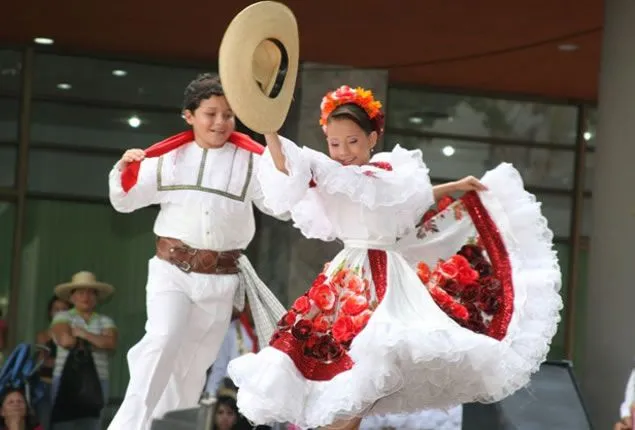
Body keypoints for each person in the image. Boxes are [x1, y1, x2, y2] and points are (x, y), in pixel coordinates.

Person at [227, 85, 562, 429]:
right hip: (349, 279)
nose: (343, 151)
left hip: (390, 279)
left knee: (365, 378)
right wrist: (269, 130)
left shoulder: (389, 173)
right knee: (343, 379)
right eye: (335, 143)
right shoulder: (325, 170)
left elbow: (407, 201)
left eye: (353, 141)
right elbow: (286, 164)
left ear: (373, 138)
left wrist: (453, 186)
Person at [107, 73, 286, 430]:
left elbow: (281, 207)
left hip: (220, 281)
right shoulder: (166, 158)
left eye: (229, 114)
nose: (220, 122)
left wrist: (281, 161)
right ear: (189, 115)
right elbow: (125, 200)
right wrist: (125, 167)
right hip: (171, 271)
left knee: (190, 369)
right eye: (211, 113)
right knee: (161, 341)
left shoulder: (252, 161)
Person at [50, 271, 117, 430]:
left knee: (93, 424)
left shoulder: (105, 320)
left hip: (98, 380)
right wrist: (97, 340)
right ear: (72, 297)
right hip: (65, 379)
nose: (86, 297)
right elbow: (65, 340)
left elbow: (111, 343)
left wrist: (81, 334)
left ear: (96, 297)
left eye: (90, 292)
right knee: (63, 425)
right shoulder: (62, 317)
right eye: (81, 292)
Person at [202, 307, 258, 398]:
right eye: (252, 307)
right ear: (246, 306)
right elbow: (219, 367)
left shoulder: (266, 331)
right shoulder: (232, 330)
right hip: (233, 393)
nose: (256, 310)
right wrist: (210, 394)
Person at [35, 296, 71, 430]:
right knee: (44, 422)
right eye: (57, 309)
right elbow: (42, 361)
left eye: (64, 310)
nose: (60, 313)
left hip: (66, 386)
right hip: (46, 384)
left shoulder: (73, 334)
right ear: (50, 312)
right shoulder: (44, 335)